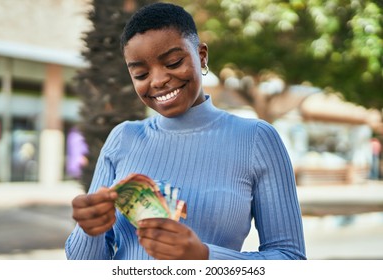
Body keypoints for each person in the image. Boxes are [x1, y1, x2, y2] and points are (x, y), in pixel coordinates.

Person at [65, 2, 306, 260]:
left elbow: (289, 258)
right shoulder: (123, 138)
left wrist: (203, 257)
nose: (157, 80)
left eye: (173, 62)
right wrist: (89, 230)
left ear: (202, 56)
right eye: (141, 73)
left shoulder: (256, 139)